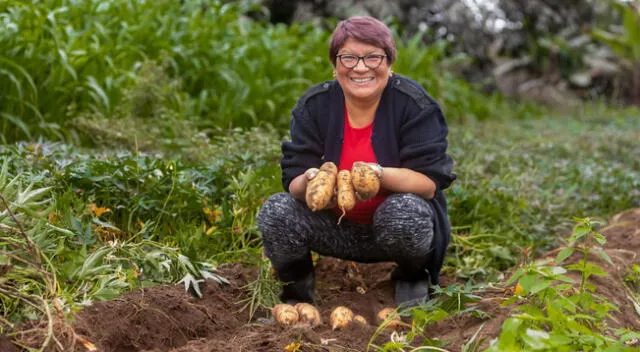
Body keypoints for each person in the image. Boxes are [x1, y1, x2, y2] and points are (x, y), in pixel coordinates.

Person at [257, 16, 456, 308]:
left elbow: (428, 184)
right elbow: (292, 181)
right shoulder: (315, 105)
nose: (360, 67)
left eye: (373, 57)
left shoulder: (413, 105)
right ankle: (296, 290)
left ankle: (412, 275)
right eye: (348, 57)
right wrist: (314, 180)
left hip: (391, 228)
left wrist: (377, 174)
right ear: (335, 65)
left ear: (389, 62)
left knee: (406, 212)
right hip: (333, 228)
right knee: (276, 211)